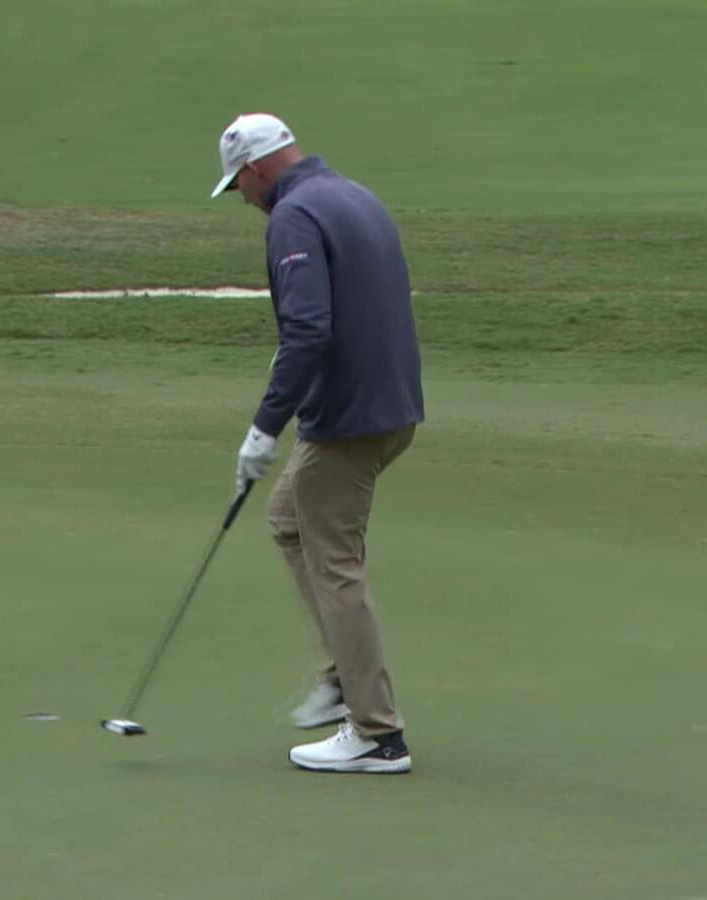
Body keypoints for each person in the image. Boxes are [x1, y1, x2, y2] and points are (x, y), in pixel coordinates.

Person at [209, 112, 425, 774]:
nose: (242, 198)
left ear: (254, 169)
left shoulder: (293, 216)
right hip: (392, 405)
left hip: (349, 417)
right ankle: (340, 675)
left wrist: (263, 428)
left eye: (237, 184)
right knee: (287, 519)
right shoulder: (353, 194)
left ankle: (377, 734)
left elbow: (307, 331)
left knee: (335, 564)